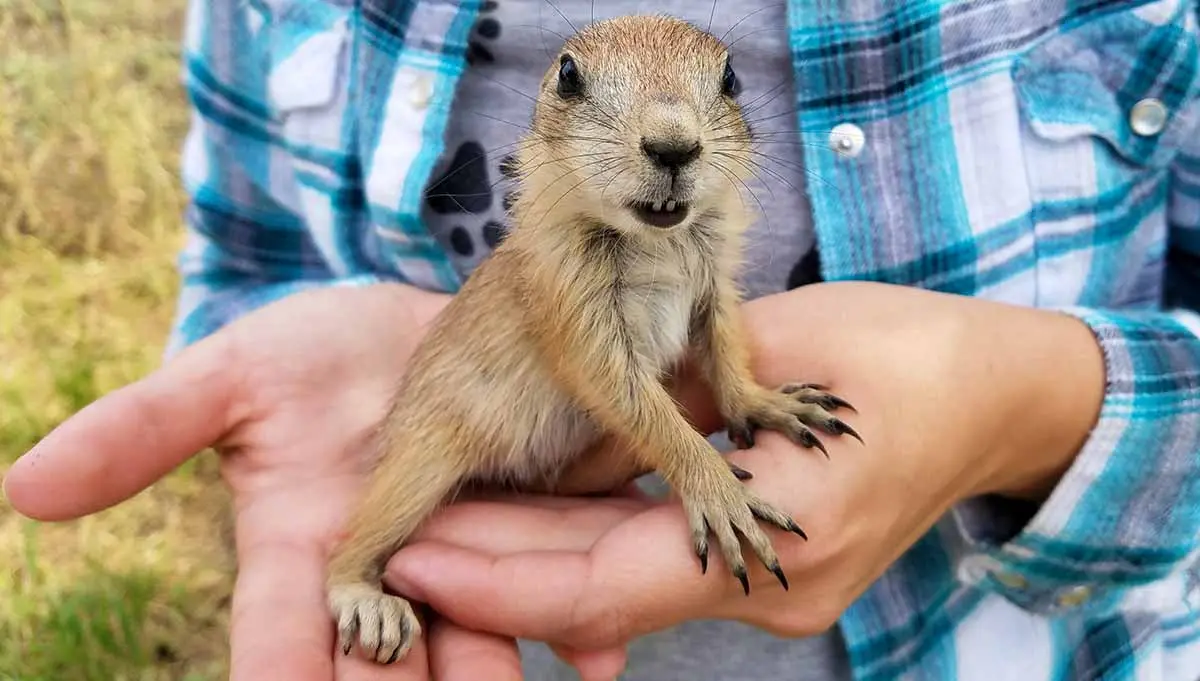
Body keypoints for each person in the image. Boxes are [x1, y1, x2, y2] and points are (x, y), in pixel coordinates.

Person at [6, 0, 1200, 679]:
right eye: (583, 91)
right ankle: (355, 569)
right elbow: (604, 369)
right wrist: (695, 470)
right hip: (485, 512)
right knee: (414, 464)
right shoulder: (556, 247)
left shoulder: (700, 203)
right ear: (547, 118)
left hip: (986, 642)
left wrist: (1021, 400)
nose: (676, 138)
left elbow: (707, 324)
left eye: (711, 101)